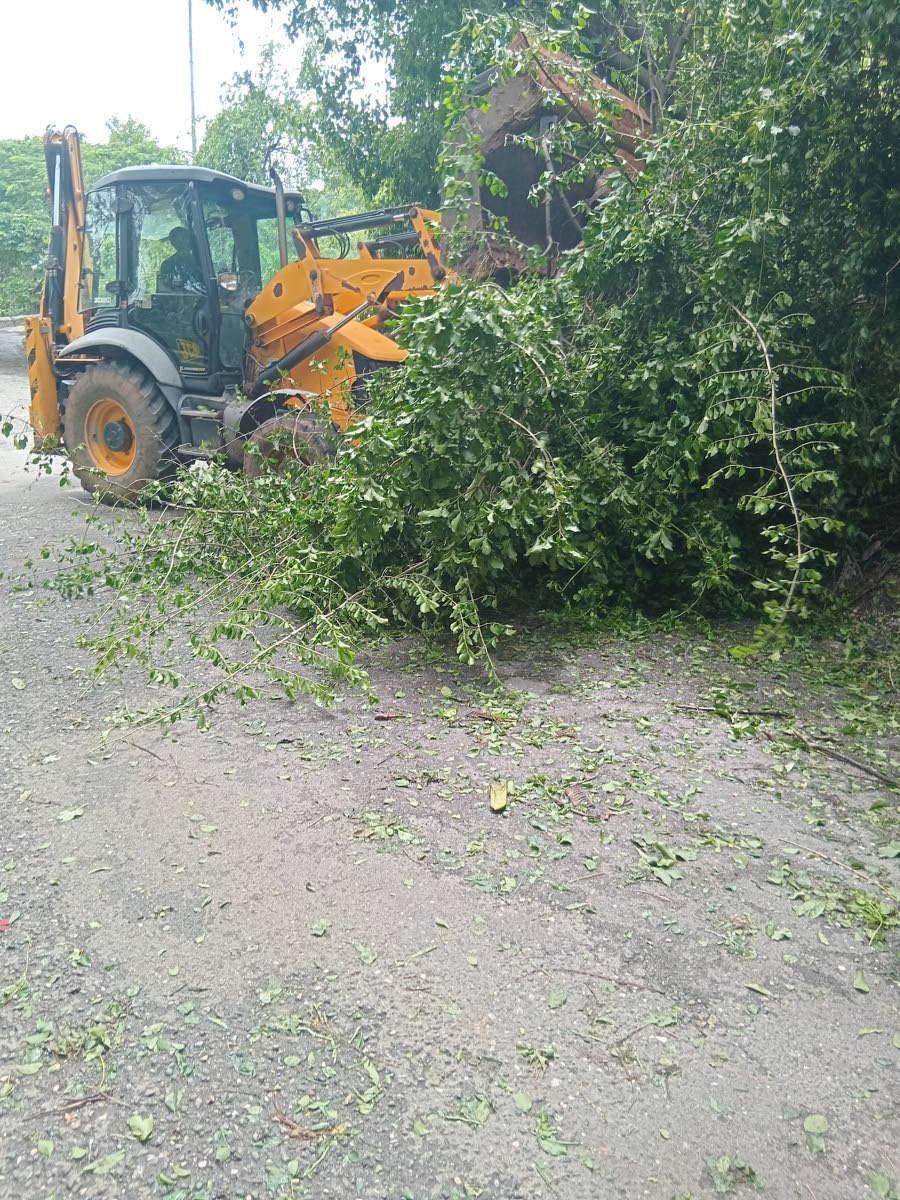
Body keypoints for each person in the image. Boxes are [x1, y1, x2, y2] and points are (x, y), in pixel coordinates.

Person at [157, 226, 205, 294]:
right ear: (173, 244)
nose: (184, 242)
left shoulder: (202, 261)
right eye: (180, 240)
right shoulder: (167, 265)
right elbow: (163, 290)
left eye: (185, 238)